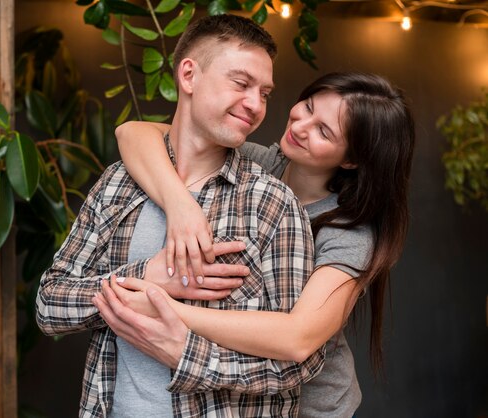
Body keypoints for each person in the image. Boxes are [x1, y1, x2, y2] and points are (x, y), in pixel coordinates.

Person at [36, 14, 324, 418]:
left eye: (265, 93)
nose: (256, 105)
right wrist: (143, 278)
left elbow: (302, 363)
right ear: (188, 75)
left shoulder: (270, 203)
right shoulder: (118, 183)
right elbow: (49, 304)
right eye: (241, 84)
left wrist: (187, 355)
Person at [94, 71, 416, 417]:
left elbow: (297, 339)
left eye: (324, 131)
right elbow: (132, 132)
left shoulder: (349, 233)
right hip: (238, 396)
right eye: (307, 107)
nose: (301, 126)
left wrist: (163, 309)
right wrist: (180, 207)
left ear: (351, 159)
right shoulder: (258, 163)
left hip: (310, 407)